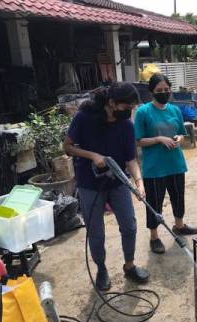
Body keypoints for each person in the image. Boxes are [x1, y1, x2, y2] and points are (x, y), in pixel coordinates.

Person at [63, 82, 149, 291]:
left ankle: (129, 265)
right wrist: (92, 155)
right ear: (111, 103)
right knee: (96, 231)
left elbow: (131, 159)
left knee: (129, 224)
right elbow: (67, 147)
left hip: (118, 181)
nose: (129, 111)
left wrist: (139, 182)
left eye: (132, 107)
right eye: (126, 106)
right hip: (89, 184)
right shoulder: (85, 118)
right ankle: (101, 269)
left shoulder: (127, 125)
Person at [134, 73, 197, 254]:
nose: (163, 93)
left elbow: (180, 132)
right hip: (154, 167)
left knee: (178, 196)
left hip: (175, 163)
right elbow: (138, 141)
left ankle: (179, 225)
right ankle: (154, 236)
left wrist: (178, 137)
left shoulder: (174, 110)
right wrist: (158, 139)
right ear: (151, 91)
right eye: (159, 90)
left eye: (166, 90)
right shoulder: (143, 112)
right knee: (155, 202)